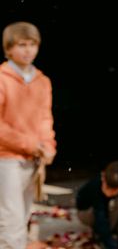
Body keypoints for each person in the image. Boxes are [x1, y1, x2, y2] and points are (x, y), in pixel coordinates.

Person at [0, 21, 56, 249]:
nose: (28, 50)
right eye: (22, 44)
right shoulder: (2, 78)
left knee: (23, 215)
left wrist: (48, 145)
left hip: (32, 158)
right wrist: (31, 144)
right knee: (11, 218)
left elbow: (45, 118)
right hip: (7, 158)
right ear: (9, 48)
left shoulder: (42, 81)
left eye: (32, 44)